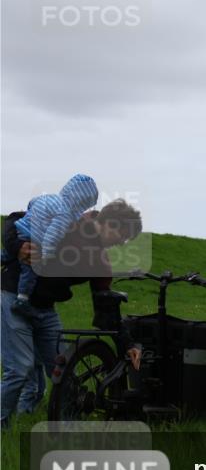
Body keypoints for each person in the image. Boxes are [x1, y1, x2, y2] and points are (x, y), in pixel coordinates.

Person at [1, 199, 144, 428]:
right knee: (20, 369)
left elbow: (106, 308)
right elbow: (15, 219)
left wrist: (128, 344)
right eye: (123, 236)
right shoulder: (71, 220)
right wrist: (17, 247)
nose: (121, 243)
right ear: (113, 224)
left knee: (65, 373)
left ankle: (61, 426)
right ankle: (2, 427)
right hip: (12, 295)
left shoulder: (100, 262)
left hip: (46, 309)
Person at [7, 174, 99, 318]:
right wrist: (46, 254)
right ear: (83, 202)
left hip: (22, 227)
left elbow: (32, 203)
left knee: (9, 254)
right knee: (30, 268)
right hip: (32, 239)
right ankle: (22, 300)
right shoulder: (65, 215)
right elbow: (52, 234)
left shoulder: (49, 198)